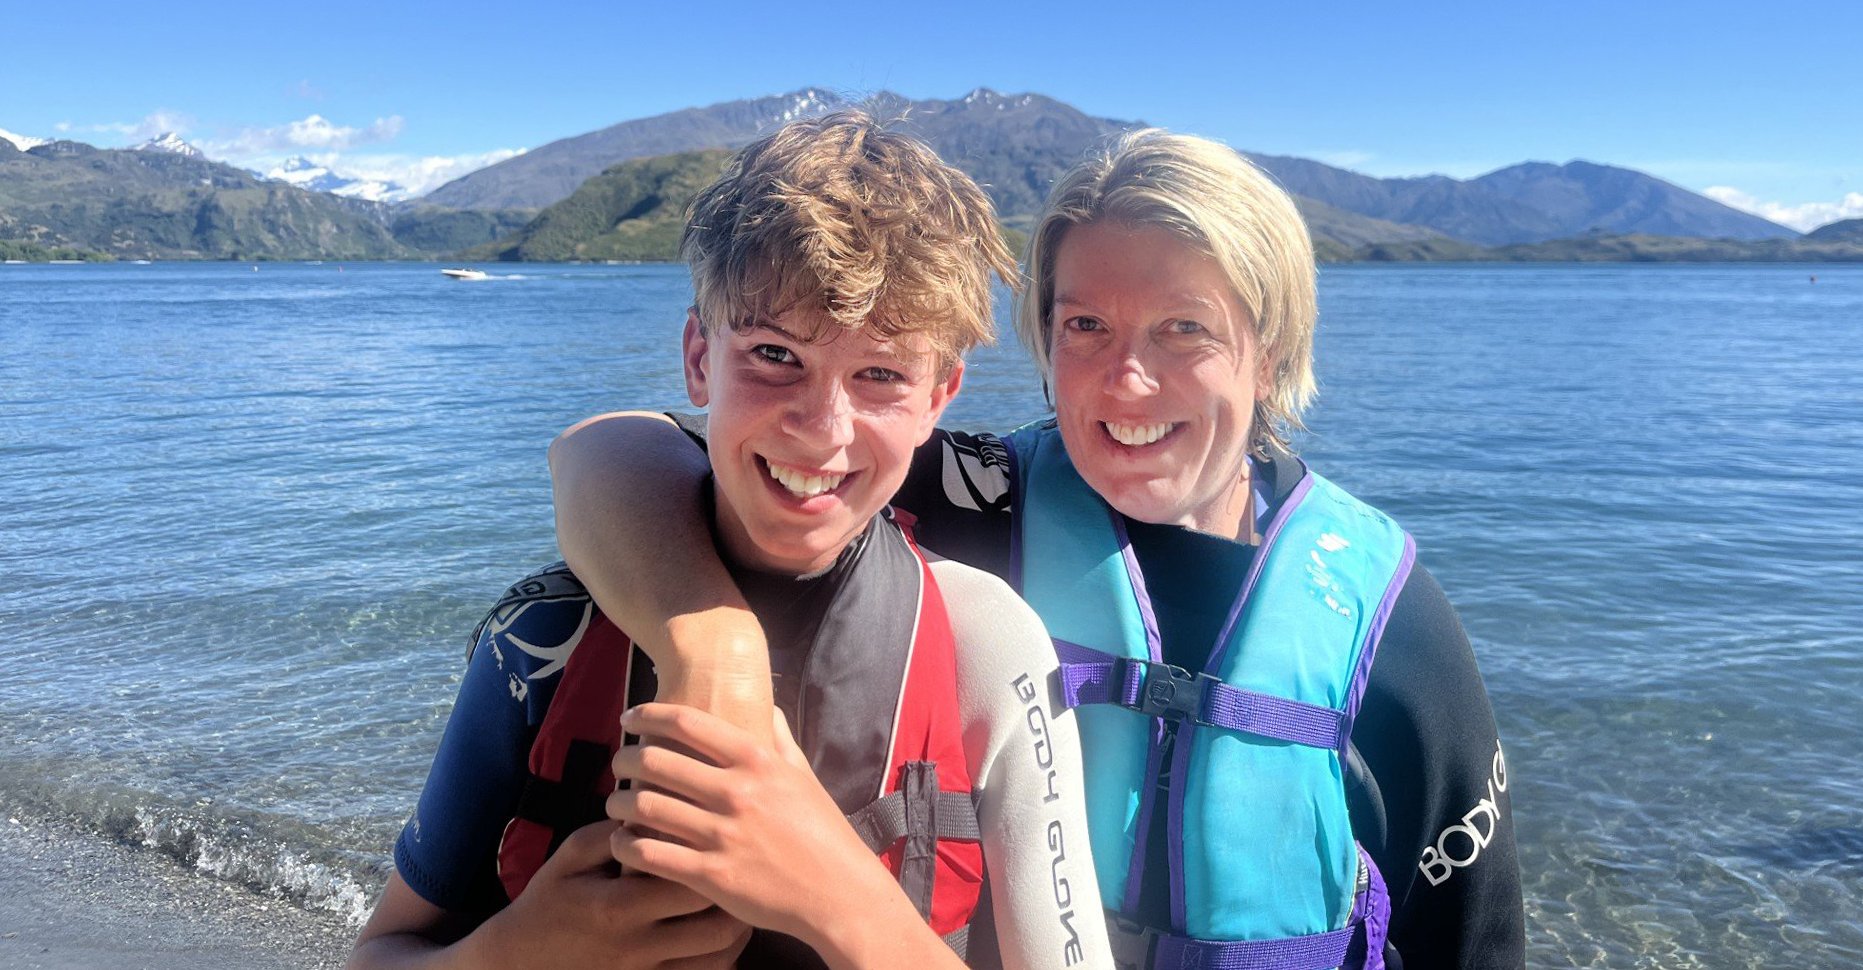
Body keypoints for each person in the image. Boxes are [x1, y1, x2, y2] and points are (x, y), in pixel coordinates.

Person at [551, 128, 1528, 970]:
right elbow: (609, 452)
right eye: (1085, 325)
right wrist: (711, 644)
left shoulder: (1382, 610)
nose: (1128, 379)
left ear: (1267, 352)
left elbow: (1475, 936)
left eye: (1185, 328)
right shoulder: (980, 490)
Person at [350, 112, 1112, 970]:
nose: (822, 431)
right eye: (774, 354)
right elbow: (383, 950)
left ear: (941, 396)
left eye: (881, 375)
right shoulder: (548, 632)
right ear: (699, 359)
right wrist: (519, 952)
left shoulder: (987, 645)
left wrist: (845, 903)